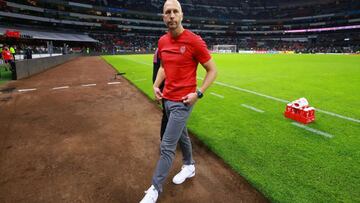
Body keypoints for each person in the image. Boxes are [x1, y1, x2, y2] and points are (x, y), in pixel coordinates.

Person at [140, 0, 217, 202]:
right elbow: (165, 67)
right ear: (163, 17)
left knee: (167, 146)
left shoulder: (194, 41)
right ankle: (189, 166)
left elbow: (213, 70)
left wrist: (198, 93)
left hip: (184, 102)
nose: (172, 15)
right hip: (167, 99)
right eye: (168, 12)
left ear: (182, 15)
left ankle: (155, 189)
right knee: (182, 136)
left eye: (175, 11)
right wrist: (156, 85)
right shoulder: (162, 42)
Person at [152, 48, 167, 141]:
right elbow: (157, 70)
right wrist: (157, 88)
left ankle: (167, 140)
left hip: (170, 85)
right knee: (167, 114)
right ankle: (165, 140)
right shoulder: (161, 48)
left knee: (169, 115)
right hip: (165, 85)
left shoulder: (159, 49)